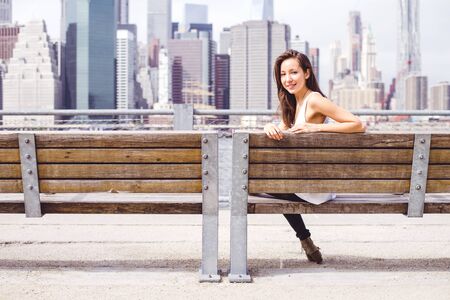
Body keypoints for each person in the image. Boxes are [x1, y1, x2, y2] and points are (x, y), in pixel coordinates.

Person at [263, 49, 366, 264]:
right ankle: (306, 242)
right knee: (262, 183)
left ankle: (305, 240)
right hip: (308, 180)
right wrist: (268, 127)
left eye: (293, 72)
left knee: (257, 184)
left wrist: (316, 128)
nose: (288, 79)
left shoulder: (315, 100)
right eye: (283, 74)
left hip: (316, 188)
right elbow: (280, 131)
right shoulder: (294, 103)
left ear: (307, 73)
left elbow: (357, 124)